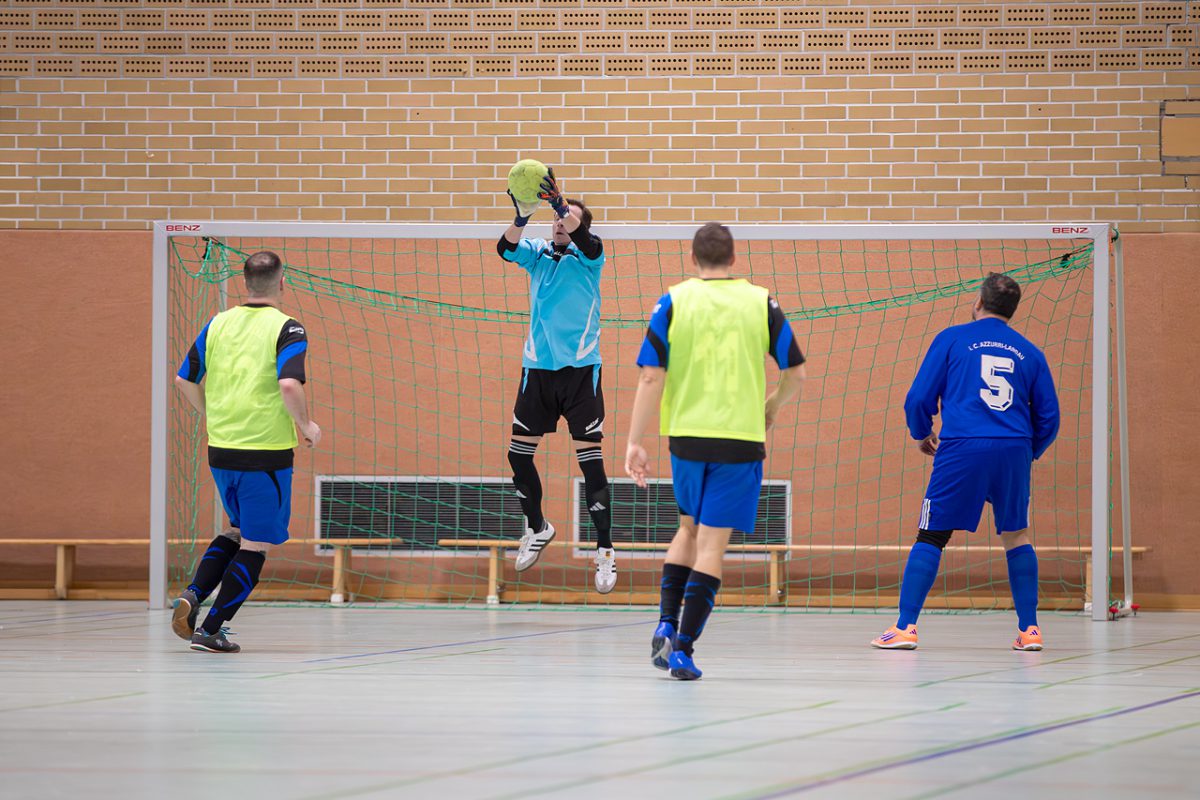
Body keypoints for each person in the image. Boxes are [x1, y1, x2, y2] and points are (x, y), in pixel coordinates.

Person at [625, 222, 807, 680]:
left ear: (693, 259)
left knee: (687, 529)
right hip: (739, 440)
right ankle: (683, 650)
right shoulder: (760, 301)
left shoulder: (673, 301)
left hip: (686, 437)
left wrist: (634, 441)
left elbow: (650, 375)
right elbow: (796, 373)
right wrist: (771, 407)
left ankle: (666, 621)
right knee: (712, 545)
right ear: (733, 258)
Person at [871, 272, 1060, 652]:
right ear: (1013, 310)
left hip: (962, 446)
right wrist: (1028, 451)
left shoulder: (952, 338)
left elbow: (918, 398)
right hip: (1014, 448)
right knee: (1016, 535)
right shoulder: (1031, 352)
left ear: (978, 302)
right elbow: (1050, 417)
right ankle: (1030, 630)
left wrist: (921, 432)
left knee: (932, 534)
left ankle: (905, 627)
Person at [172, 250, 321, 653]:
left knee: (237, 530)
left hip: (221, 449)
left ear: (245, 282)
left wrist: (211, 413)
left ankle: (193, 593)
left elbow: (184, 379)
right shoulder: (287, 328)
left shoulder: (218, 323)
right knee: (256, 545)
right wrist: (306, 426)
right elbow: (289, 384)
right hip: (264, 453)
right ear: (282, 283)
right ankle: (210, 629)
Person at [498, 169, 617, 593]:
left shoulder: (591, 257)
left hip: (581, 372)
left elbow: (589, 241)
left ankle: (605, 551)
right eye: (556, 220)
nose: (560, 224)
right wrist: (521, 215)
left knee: (591, 464)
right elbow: (505, 249)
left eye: (567, 219)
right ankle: (538, 527)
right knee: (517, 457)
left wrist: (563, 206)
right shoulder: (537, 253)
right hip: (537, 371)